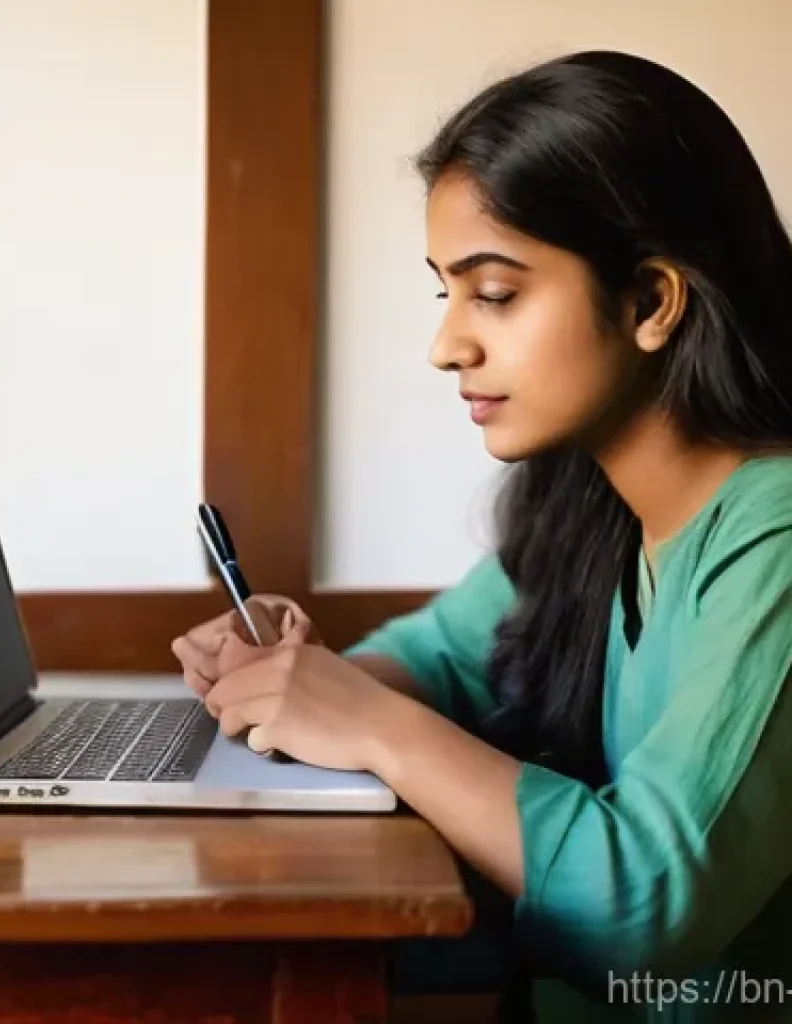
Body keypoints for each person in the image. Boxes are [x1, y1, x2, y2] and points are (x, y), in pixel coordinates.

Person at [171, 49, 792, 1021]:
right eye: (443, 292)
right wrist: (292, 676)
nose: (446, 343)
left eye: (494, 293)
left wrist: (368, 723)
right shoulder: (591, 505)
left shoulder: (776, 535)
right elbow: (439, 655)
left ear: (650, 302)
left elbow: (646, 899)